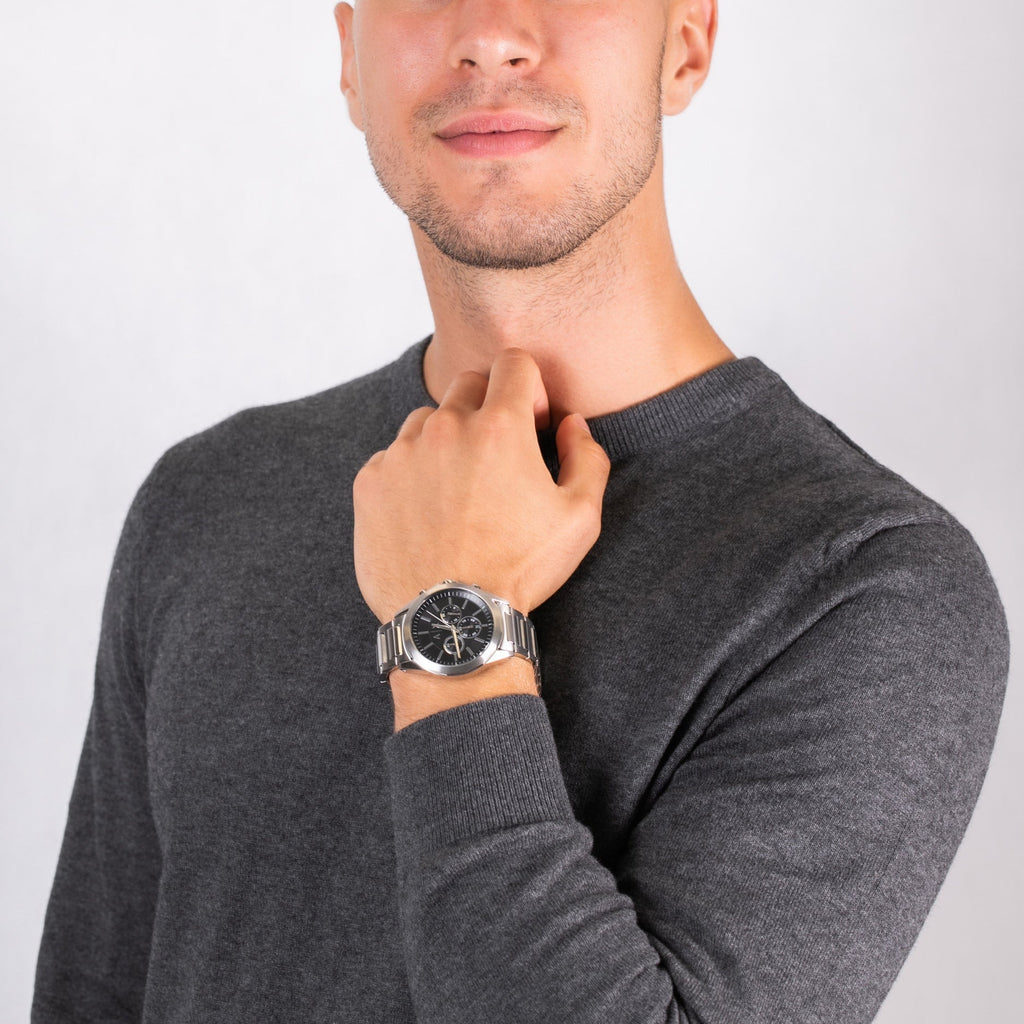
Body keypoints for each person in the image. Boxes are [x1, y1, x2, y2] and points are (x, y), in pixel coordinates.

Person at [33, 1, 1008, 1022]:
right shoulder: (207, 500)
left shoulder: (864, 585)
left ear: (684, 46)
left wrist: (450, 627)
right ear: (350, 60)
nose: (491, 33)